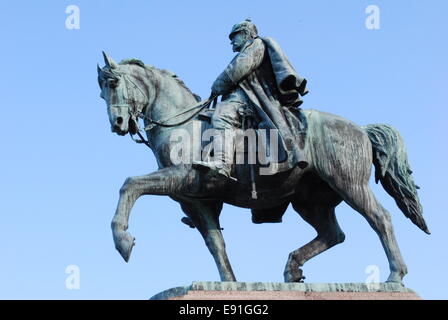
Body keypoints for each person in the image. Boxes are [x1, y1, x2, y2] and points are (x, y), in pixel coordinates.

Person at [193, 19, 309, 179]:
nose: (232, 42)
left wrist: (216, 86)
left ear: (245, 34)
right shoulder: (248, 48)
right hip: (243, 96)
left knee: (222, 114)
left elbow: (236, 71)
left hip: (251, 99)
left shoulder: (256, 45)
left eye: (234, 36)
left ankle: (222, 163)